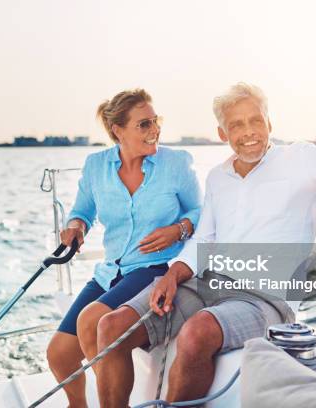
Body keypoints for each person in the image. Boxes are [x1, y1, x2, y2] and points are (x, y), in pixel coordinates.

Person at [94, 82, 316, 407]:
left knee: (196, 333)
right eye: (236, 125)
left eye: (255, 121)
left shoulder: (299, 160)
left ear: (269, 123)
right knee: (111, 327)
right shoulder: (218, 176)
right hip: (206, 283)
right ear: (222, 133)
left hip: (266, 298)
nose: (249, 132)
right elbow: (205, 238)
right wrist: (172, 276)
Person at [46, 88, 202, 407]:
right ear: (118, 131)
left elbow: (201, 212)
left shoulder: (176, 163)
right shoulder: (95, 166)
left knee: (92, 320)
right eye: (143, 124)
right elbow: (82, 211)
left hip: (157, 266)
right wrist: (75, 228)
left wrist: (179, 229)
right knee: (59, 355)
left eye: (155, 121)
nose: (154, 129)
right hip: (112, 269)